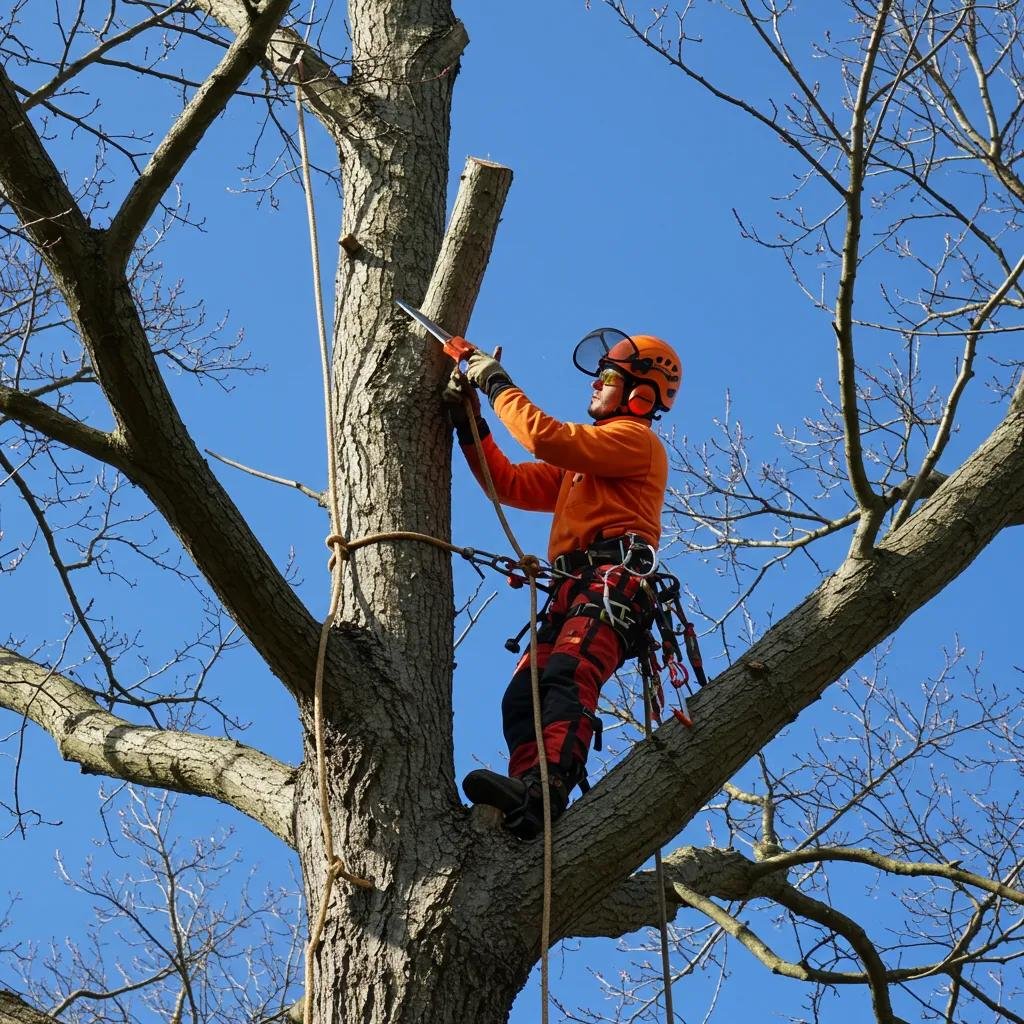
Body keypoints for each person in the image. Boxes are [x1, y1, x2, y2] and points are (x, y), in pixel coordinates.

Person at [446, 328, 682, 839]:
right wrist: (470, 424)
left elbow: (544, 437)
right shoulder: (583, 468)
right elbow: (506, 482)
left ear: (642, 392)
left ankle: (547, 788)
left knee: (566, 676)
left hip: (612, 582)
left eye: (608, 377)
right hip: (575, 588)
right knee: (521, 696)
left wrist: (495, 382)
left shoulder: (634, 442)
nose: (595, 385)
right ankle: (523, 798)